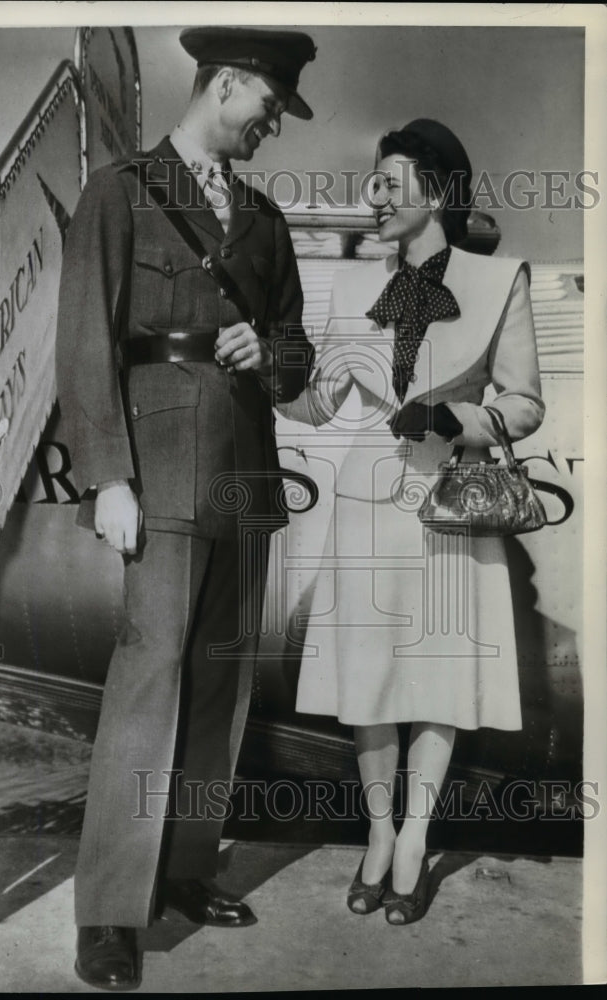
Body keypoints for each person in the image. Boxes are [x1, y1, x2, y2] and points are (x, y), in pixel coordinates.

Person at [55, 26, 316, 990]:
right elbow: (85, 338)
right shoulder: (119, 193)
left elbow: (295, 356)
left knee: (220, 685)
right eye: (270, 106)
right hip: (158, 474)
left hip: (246, 474)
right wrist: (108, 477)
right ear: (227, 84)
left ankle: (187, 869)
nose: (274, 126)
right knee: (146, 683)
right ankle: (111, 914)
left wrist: (271, 355)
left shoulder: (265, 222)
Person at [280, 119, 544, 925]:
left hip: (448, 504)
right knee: (366, 681)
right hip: (365, 502)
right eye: (373, 181)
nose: (374, 196)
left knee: (436, 678)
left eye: (390, 181)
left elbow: (525, 402)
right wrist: (271, 363)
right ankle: (377, 830)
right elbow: (317, 402)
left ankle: (414, 837)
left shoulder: (497, 282)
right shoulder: (351, 291)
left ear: (437, 192)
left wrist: (458, 417)